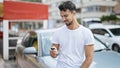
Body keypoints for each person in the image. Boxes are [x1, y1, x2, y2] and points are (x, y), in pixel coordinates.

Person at [50, 1, 94, 68]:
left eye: (66, 16)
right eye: (62, 16)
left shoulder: (86, 33)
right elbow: (53, 51)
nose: (63, 19)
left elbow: (89, 58)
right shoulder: (58, 32)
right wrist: (53, 51)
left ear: (73, 13)